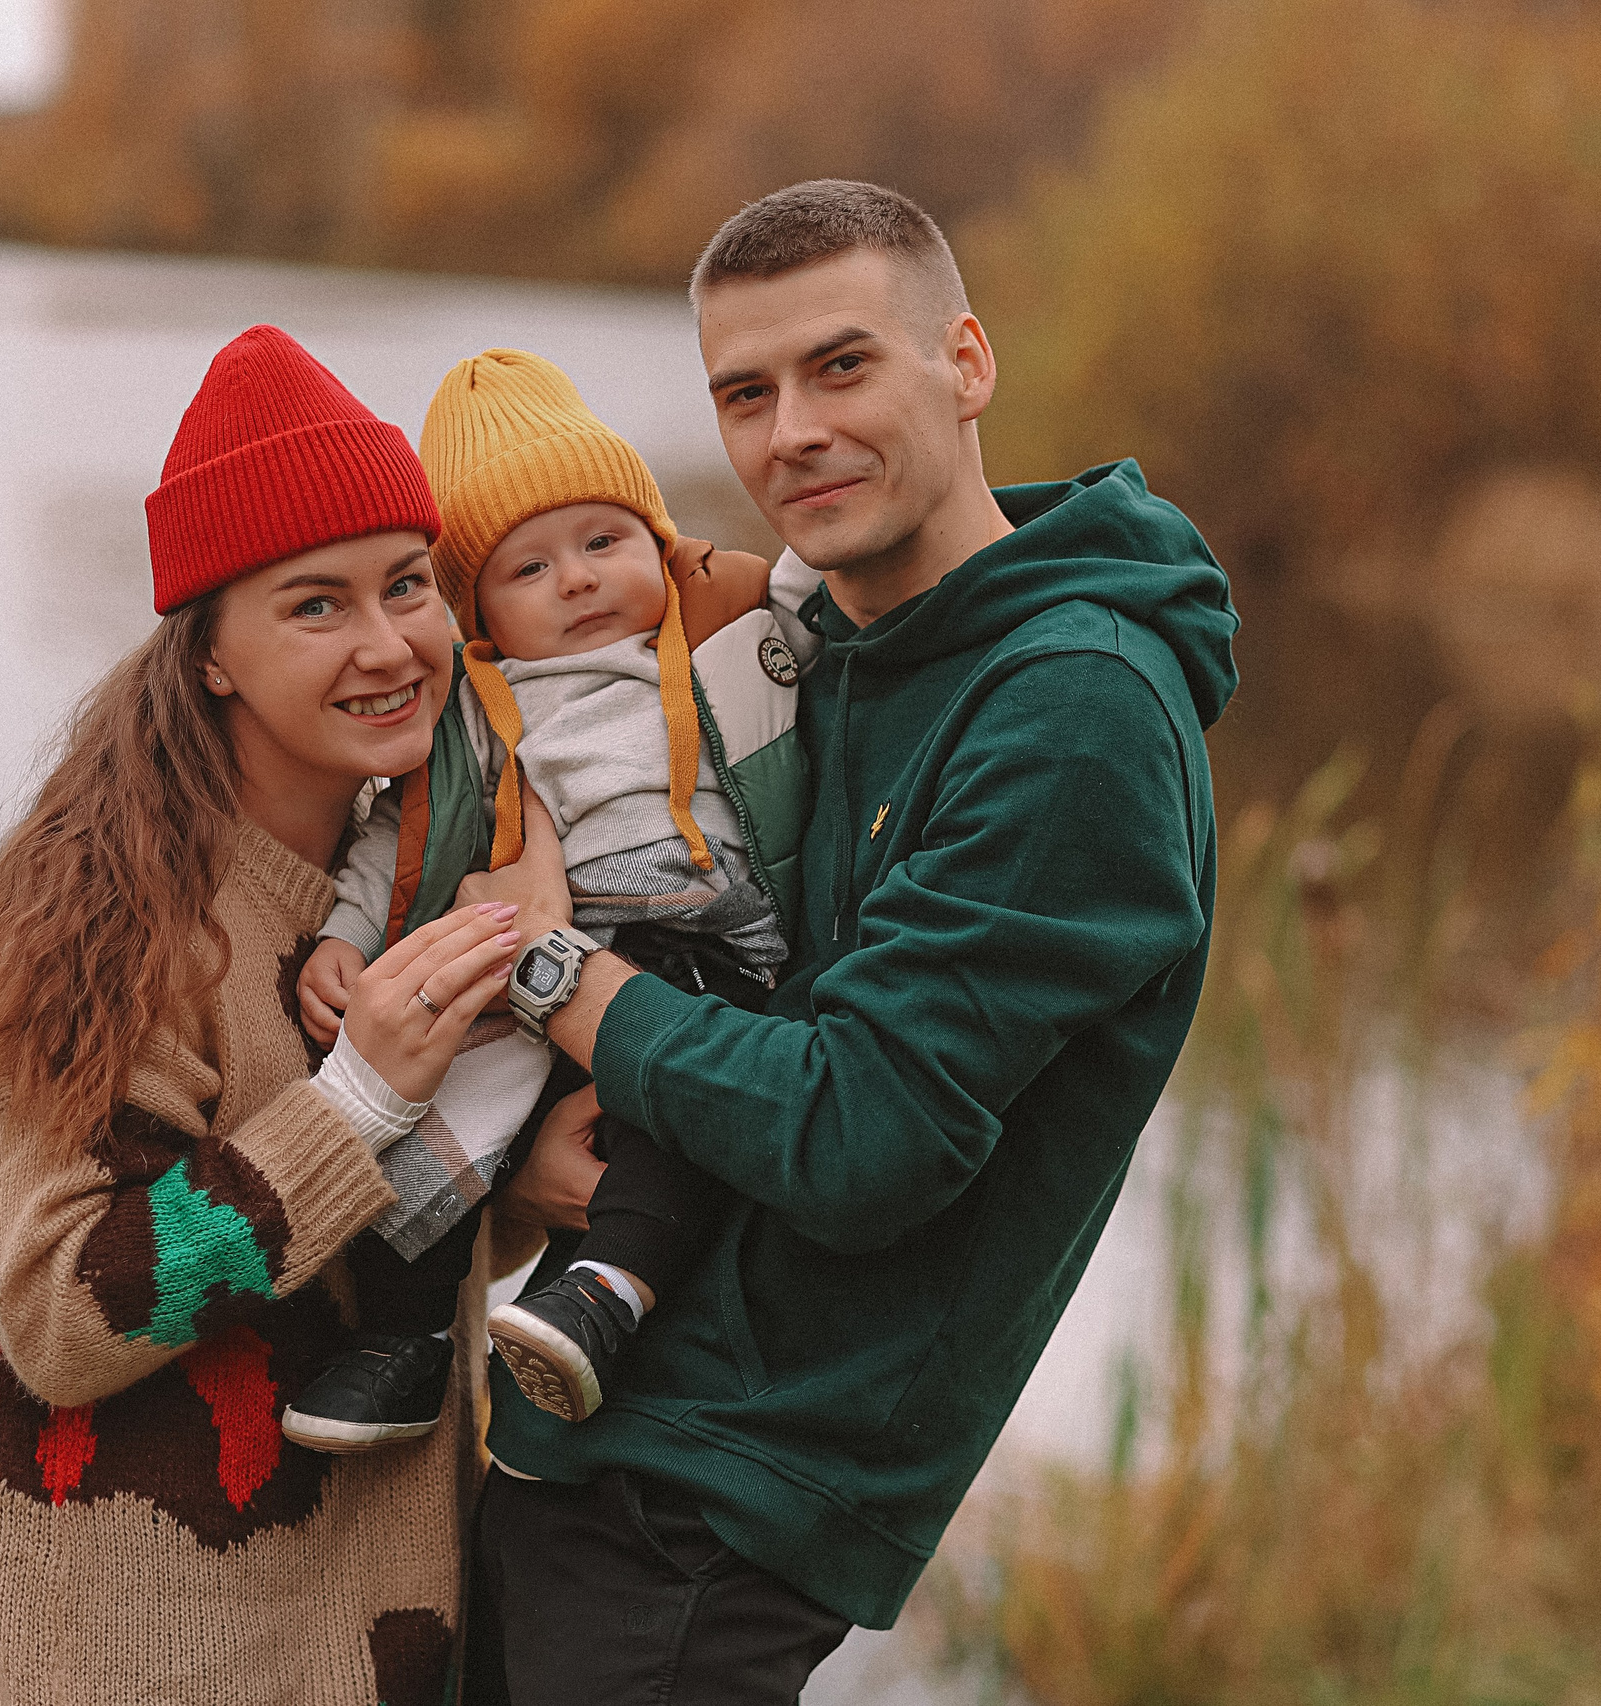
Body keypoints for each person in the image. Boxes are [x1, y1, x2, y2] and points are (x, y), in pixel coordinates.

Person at [461, 180, 1241, 1703]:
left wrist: (550, 969)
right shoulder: (820, 650)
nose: (789, 432)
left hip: (720, 1504)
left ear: (966, 362)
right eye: (743, 394)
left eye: (841, 367)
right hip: (606, 1432)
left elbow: (861, 1132)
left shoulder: (1073, 709)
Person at [0, 324, 595, 1705]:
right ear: (209, 650)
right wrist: (361, 1096)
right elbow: (60, 1314)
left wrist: (522, 1193)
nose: (391, 642)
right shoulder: (97, 919)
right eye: (315, 605)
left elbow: (351, 1244)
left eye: (406, 584)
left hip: (351, 1647)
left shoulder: (411, 869)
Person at [287, 348, 819, 1444]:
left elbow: (852, 601)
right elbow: (392, 835)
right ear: (474, 607)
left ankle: (603, 1292)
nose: (576, 580)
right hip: (525, 965)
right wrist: (344, 933)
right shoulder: (478, 708)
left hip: (702, 947)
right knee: (441, 1114)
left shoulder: (727, 638)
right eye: (526, 570)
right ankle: (406, 1341)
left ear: (657, 545)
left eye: (603, 540)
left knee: (674, 1107)